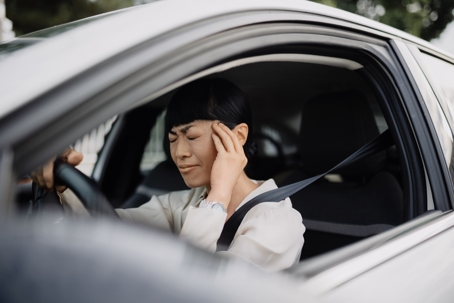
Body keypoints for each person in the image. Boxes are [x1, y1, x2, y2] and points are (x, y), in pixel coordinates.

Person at [32, 78, 305, 272]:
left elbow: (195, 287)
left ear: (238, 136)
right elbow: (109, 226)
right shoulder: (184, 203)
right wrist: (63, 183)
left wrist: (219, 194)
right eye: (173, 138)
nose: (179, 153)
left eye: (192, 136)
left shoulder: (278, 222)